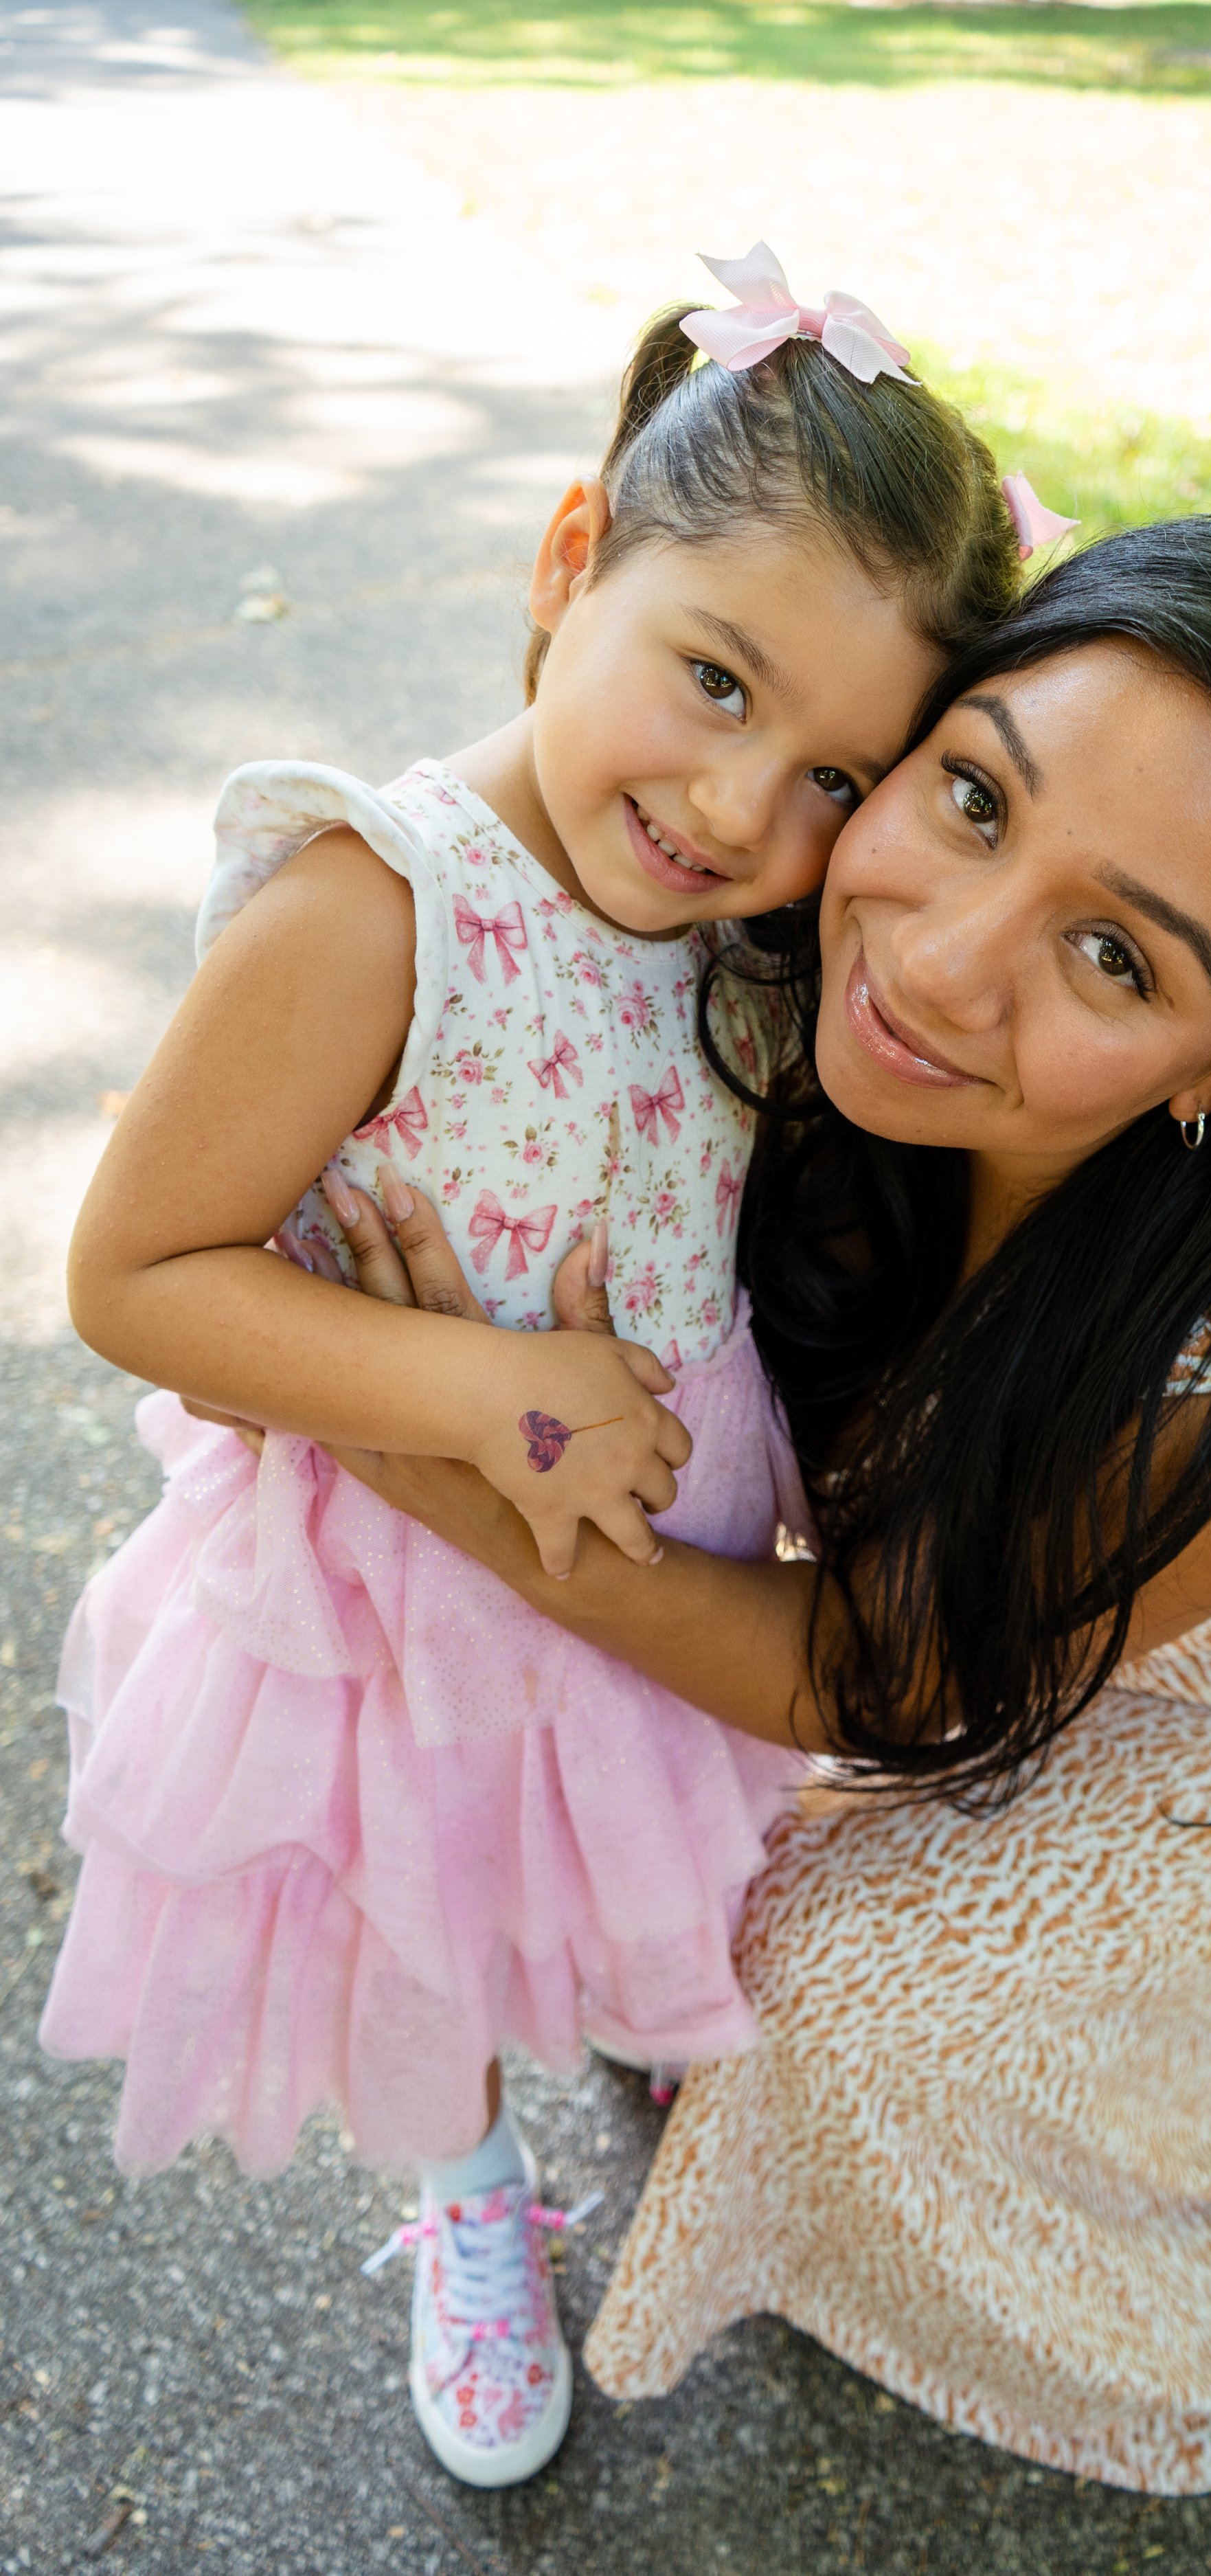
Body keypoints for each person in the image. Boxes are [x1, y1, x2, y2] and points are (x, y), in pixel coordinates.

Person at [315, 517, 1211, 2496]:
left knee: (819, 1979)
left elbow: (857, 1676)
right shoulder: (776, 913)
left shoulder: (1203, 1399)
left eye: (1114, 955)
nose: (935, 959)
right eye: (973, 794)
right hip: (1071, 1591)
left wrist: (434, 1459)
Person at [38, 247, 1028, 2488]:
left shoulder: (728, 927)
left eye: (829, 773)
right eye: (708, 679)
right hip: (398, 1595)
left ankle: (655, 2035)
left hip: (650, 1547)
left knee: (631, 1846)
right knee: (433, 1903)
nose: (734, 809)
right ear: (572, 553)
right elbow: (137, 1270)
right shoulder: (376, 903)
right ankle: (469, 2194)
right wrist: (480, 1389)